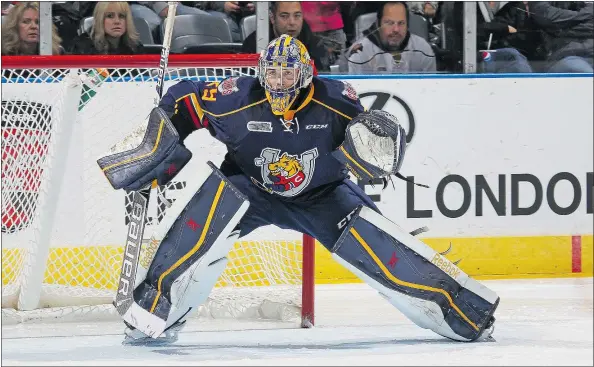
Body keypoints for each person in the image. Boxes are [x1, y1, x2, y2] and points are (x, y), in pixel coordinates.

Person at [97, 34, 499, 345]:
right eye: (272, 73)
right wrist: (157, 150)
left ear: (305, 72)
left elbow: (371, 143)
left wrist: (378, 146)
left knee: (387, 251)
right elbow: (182, 99)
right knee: (194, 238)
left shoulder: (336, 101)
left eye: (288, 73)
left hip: (324, 196)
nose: (279, 81)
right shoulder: (235, 99)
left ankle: (465, 314)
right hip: (248, 189)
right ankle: (151, 314)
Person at [346, 2, 436, 74]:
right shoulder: (360, 51)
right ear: (378, 24)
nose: (396, 29)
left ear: (407, 25)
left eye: (401, 23)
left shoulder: (423, 49)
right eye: (389, 23)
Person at [241, 1, 331, 72]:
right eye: (284, 16)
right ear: (272, 18)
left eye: (297, 16)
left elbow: (321, 79)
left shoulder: (314, 44)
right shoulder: (254, 44)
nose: (292, 22)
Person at [69, 2, 143, 55]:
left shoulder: (135, 46)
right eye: (110, 16)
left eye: (122, 16)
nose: (117, 21)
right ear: (100, 19)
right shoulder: (82, 47)